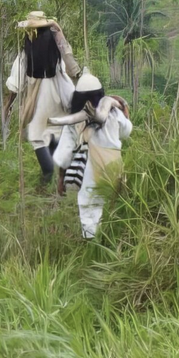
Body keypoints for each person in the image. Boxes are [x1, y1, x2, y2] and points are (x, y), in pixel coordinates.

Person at [3, 11, 82, 190]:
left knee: (56, 163)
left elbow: (72, 69)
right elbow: (14, 87)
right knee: (49, 165)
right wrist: (7, 107)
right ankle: (46, 192)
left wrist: (59, 33)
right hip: (44, 114)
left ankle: (53, 196)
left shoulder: (55, 54)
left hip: (54, 113)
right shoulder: (28, 57)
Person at [49, 71, 133, 239]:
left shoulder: (74, 122)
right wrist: (124, 109)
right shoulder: (114, 113)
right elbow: (127, 131)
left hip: (93, 171)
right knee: (112, 205)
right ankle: (113, 241)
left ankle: (93, 246)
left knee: (89, 209)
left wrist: (61, 180)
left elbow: (64, 157)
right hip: (115, 166)